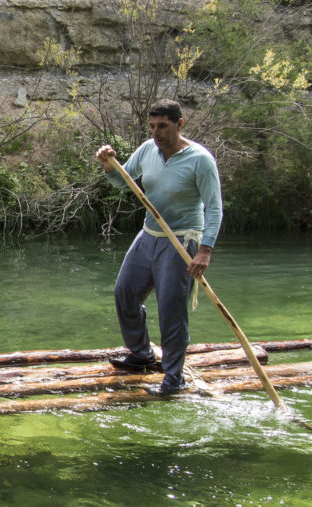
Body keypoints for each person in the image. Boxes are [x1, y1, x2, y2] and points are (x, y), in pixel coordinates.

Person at [95, 98, 223, 395]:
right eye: (152, 126)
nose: (156, 132)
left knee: (171, 310)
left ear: (179, 125)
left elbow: (214, 207)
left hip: (182, 239)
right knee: (125, 293)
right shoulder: (147, 149)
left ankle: (174, 378)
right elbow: (122, 182)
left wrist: (205, 250)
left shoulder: (200, 159)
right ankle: (141, 354)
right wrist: (108, 165)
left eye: (162, 126)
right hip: (149, 234)